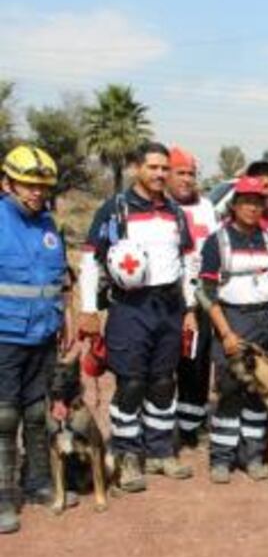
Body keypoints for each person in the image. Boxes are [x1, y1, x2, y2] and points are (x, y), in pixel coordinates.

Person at [78, 142, 197, 492]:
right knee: (130, 383)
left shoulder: (176, 212)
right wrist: (88, 308)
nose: (160, 174)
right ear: (136, 168)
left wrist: (189, 308)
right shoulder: (114, 209)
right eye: (153, 168)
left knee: (162, 380)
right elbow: (89, 259)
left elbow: (188, 261)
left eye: (165, 168)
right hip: (130, 308)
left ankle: (160, 451)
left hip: (169, 306)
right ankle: (129, 455)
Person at [200, 177, 268, 484]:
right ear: (235, 205)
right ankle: (222, 460)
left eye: (258, 202)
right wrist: (226, 333)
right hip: (233, 323)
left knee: (258, 396)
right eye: (246, 202)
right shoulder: (218, 241)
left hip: (266, 326)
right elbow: (206, 292)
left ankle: (252, 456)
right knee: (229, 394)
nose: (252, 208)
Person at [0, 146, 72, 534]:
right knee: (3, 417)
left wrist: (66, 316)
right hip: (4, 337)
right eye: (28, 186)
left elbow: (60, 278)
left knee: (37, 413)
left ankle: (40, 483)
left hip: (43, 335)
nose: (36, 194)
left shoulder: (47, 224)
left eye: (42, 187)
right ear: (7, 182)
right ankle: (2, 497)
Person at [166, 146, 219, 448]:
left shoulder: (207, 207)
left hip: (200, 297)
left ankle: (191, 425)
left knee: (197, 364)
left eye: (191, 174)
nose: (186, 179)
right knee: (164, 366)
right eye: (180, 173)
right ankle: (159, 427)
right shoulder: (158, 208)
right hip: (167, 297)